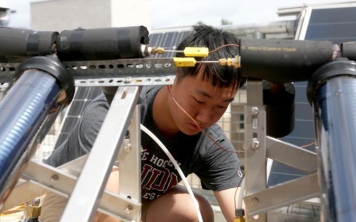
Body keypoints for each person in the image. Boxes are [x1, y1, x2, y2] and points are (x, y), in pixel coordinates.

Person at [40, 25, 247, 222]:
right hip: (68, 195)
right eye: (199, 101)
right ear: (174, 76)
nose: (205, 117)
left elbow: (242, 214)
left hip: (138, 205)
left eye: (221, 107)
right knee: (114, 194)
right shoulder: (110, 113)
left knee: (193, 211)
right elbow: (106, 199)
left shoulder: (210, 142)